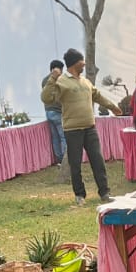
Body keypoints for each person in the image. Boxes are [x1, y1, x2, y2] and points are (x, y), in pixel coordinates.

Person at [41, 48, 119, 205]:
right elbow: (46, 98)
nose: (84, 63)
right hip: (72, 130)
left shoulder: (85, 81)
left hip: (90, 128)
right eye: (82, 60)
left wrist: (112, 106)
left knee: (98, 160)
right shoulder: (61, 81)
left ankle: (105, 192)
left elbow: (97, 95)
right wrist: (52, 78)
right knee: (75, 164)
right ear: (75, 63)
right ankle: (79, 195)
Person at [39, 58, 67, 171]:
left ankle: (59, 160)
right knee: (63, 136)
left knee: (55, 137)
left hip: (48, 111)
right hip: (58, 112)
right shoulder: (59, 80)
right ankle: (65, 160)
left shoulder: (44, 80)